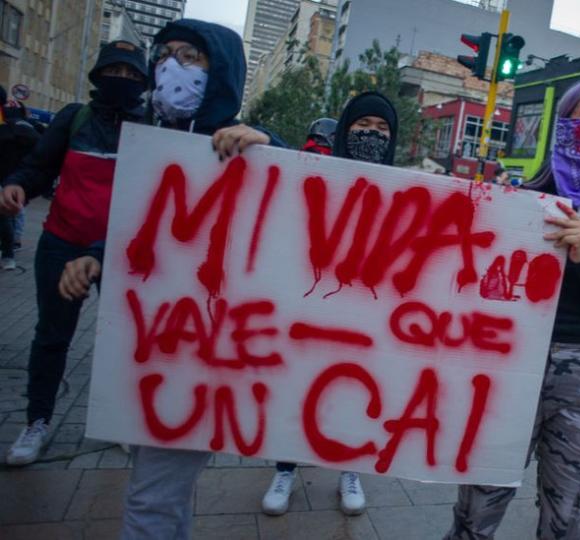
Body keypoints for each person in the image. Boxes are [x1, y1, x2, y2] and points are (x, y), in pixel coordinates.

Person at [54, 20, 280, 539]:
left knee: (150, 500)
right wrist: (95, 256)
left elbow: (290, 201)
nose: (173, 66)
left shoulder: (243, 142)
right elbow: (139, 226)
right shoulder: (149, 145)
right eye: (167, 54)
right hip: (153, 350)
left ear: (220, 70)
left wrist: (266, 147)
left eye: (191, 57)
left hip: (208, 355)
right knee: (161, 499)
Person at [446, 77, 580, 540]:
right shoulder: (517, 202)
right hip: (509, 367)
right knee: (477, 503)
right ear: (564, 124)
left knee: (572, 514)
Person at [0, 40, 149, 464]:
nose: (121, 81)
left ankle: (122, 423)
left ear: (143, 82)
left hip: (123, 254)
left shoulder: (152, 125)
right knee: (52, 336)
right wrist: (17, 186)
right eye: (114, 72)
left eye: (131, 76)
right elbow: (38, 166)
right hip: (61, 244)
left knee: (125, 341)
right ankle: (37, 423)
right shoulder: (73, 119)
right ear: (98, 75)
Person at [261, 94, 399, 518]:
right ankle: (285, 467)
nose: (371, 132)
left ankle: (349, 468)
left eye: (381, 126)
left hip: (366, 312)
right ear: (344, 130)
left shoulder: (405, 189)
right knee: (298, 383)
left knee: (356, 390)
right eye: (363, 124)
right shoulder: (313, 175)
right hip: (312, 305)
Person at [0, 91, 40, 270]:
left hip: (7, 175)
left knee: (5, 216)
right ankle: (10, 252)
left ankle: (8, 254)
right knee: (11, 215)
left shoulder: (6, 126)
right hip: (20, 178)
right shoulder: (30, 127)